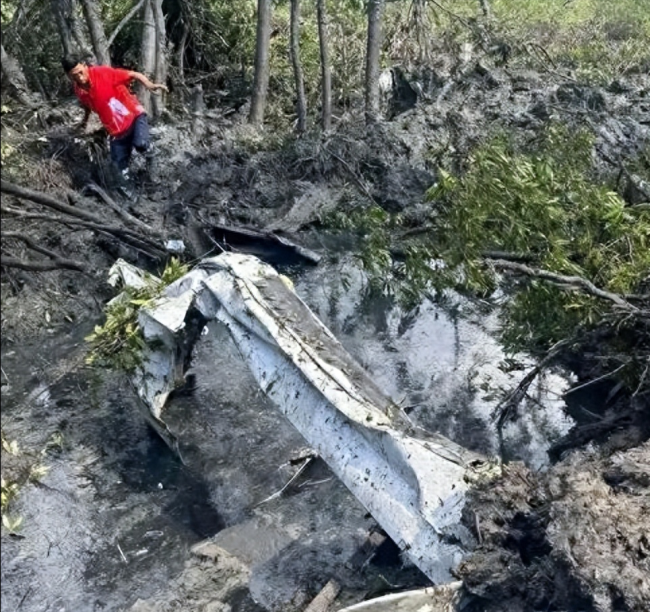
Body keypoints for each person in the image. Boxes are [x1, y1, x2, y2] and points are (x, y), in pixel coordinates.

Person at [61, 54, 168, 196]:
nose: (80, 77)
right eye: (74, 76)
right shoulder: (79, 90)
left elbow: (133, 74)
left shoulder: (102, 73)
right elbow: (87, 105)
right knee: (118, 168)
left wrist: (149, 84)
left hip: (133, 115)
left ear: (85, 66)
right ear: (69, 76)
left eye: (81, 72)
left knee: (141, 144)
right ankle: (132, 195)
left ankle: (152, 160)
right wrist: (84, 122)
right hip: (115, 130)